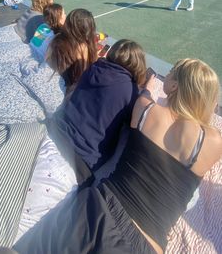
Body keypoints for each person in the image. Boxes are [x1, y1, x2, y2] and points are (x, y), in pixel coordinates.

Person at [14, 58, 222, 254]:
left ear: (175, 86)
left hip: (99, 208)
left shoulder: (146, 109)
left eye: (171, 72)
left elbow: (146, 94)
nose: (166, 75)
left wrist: (149, 84)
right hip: (147, 245)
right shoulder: (213, 143)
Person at [48, 39, 147, 183]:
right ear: (138, 64)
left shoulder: (94, 67)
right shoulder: (130, 91)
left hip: (57, 129)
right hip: (83, 157)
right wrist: (146, 93)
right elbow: (136, 122)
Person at [46, 8, 98, 94]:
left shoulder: (57, 38)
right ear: (89, 29)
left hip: (59, 79)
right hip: (72, 88)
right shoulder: (83, 47)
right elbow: (85, 74)